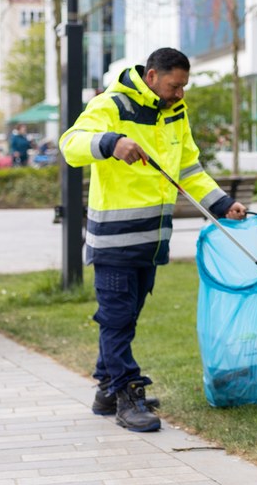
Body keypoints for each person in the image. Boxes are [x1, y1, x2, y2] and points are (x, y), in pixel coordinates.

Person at [60, 47, 247, 433]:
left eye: (184, 87)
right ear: (151, 76)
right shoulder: (110, 104)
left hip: (152, 240)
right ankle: (127, 393)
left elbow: (189, 170)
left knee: (125, 319)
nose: (180, 93)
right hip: (114, 239)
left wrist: (223, 204)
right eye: (175, 85)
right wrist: (111, 143)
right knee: (117, 320)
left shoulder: (175, 113)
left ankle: (107, 390)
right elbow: (71, 145)